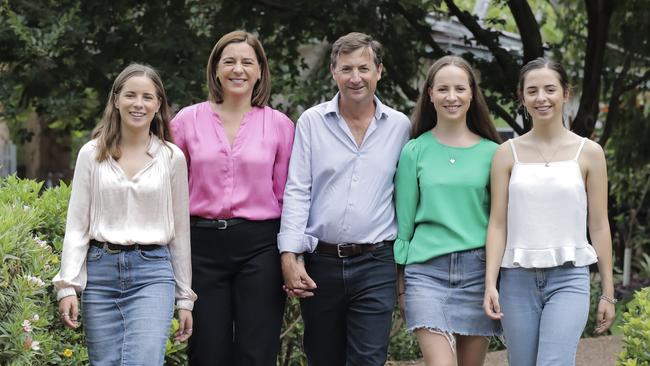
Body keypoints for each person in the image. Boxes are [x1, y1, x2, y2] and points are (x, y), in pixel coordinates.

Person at [278, 32, 411, 366]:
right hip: (320, 262)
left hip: (376, 262)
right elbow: (298, 189)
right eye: (347, 69)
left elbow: (407, 195)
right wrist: (289, 254)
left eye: (364, 68)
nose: (356, 78)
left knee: (369, 359)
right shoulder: (311, 121)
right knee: (324, 358)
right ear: (333, 72)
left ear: (379, 71)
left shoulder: (399, 126)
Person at [54, 63, 196, 365]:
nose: (138, 104)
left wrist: (185, 297)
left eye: (148, 96)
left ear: (158, 104)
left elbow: (181, 232)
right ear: (116, 100)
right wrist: (67, 285)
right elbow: (77, 226)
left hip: (153, 274)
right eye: (130, 95)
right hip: (100, 273)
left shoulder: (171, 158)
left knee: (143, 360)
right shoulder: (91, 154)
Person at [170, 30, 294, 365]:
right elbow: (170, 189)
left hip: (260, 247)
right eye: (229, 61)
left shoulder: (280, 126)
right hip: (202, 246)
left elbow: (287, 196)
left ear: (259, 72)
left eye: (246, 62)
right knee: (207, 351)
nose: (238, 69)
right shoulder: (185, 121)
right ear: (215, 69)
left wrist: (291, 254)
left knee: (257, 349)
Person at [483, 58, 616, 366]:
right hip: (516, 281)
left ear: (565, 93)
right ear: (522, 98)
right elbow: (498, 224)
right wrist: (491, 282)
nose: (541, 97)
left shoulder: (590, 153)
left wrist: (607, 292)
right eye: (532, 91)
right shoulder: (506, 153)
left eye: (549, 89)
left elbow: (598, 225)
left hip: (569, 279)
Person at [394, 56, 502, 366]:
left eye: (459, 88)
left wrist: (495, 282)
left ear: (471, 94)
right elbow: (404, 226)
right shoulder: (414, 150)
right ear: (430, 94)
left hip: (478, 274)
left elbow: (499, 223)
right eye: (443, 89)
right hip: (426, 273)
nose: (451, 97)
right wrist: (401, 287)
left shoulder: (493, 154)